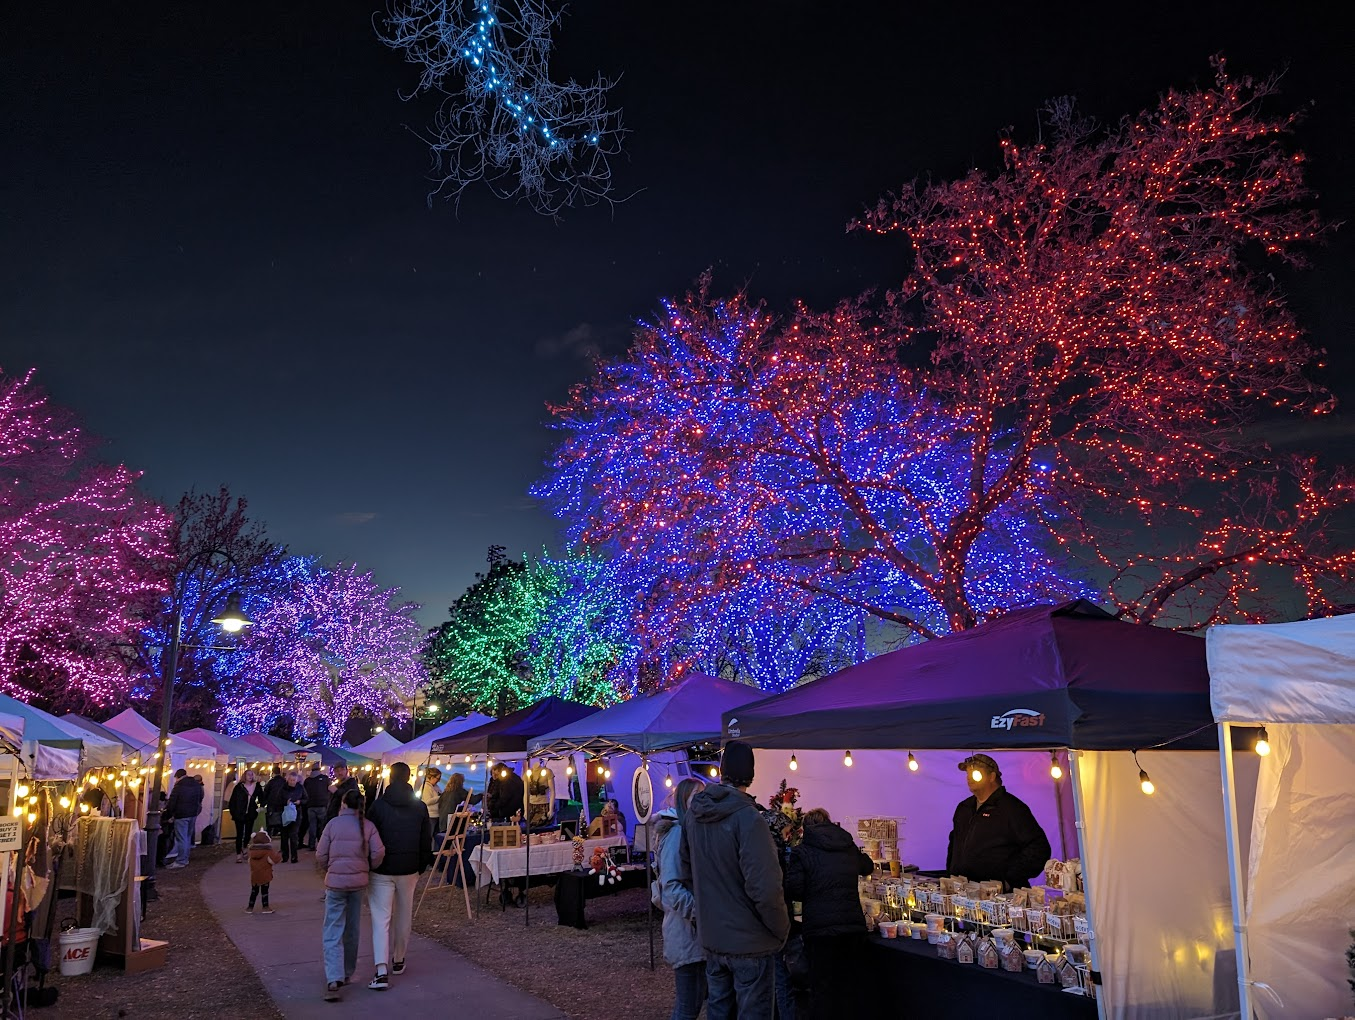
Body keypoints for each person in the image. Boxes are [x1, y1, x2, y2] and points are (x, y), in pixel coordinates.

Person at [679, 741, 790, 1020]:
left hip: (714, 938)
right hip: (750, 942)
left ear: (722, 770)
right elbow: (764, 887)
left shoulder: (695, 816)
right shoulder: (749, 819)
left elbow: (686, 872)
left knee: (719, 1010)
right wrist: (781, 929)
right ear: (751, 775)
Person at [784, 807, 874, 1018]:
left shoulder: (802, 852)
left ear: (806, 829)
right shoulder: (847, 845)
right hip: (852, 927)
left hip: (820, 931)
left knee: (822, 988)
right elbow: (867, 866)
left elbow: (794, 889)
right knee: (849, 985)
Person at [365, 762, 433, 990]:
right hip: (409, 866)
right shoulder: (419, 807)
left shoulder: (378, 806)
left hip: (383, 868)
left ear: (390, 777)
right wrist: (421, 864)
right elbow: (426, 839)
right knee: (404, 914)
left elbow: (370, 838)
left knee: (381, 918)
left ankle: (381, 968)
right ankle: (399, 958)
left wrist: (370, 863)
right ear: (409, 777)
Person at [316, 788, 385, 1003]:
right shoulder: (368, 826)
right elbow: (379, 852)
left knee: (332, 929)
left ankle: (333, 977)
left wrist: (330, 868)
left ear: (343, 803)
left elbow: (321, 854)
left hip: (336, 883)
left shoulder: (333, 825)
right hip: (358, 883)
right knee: (352, 928)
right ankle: (347, 971)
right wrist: (367, 867)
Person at [946, 753, 1051, 891]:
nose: (969, 778)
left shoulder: (1011, 808)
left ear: (992, 776)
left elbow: (1039, 848)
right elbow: (954, 843)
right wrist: (951, 875)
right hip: (963, 894)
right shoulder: (963, 808)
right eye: (967, 773)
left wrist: (1008, 879)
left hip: (1000, 898)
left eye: (975, 773)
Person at [655, 778, 706, 1020]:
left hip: (690, 931)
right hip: (685, 931)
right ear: (683, 799)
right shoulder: (677, 835)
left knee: (694, 1002)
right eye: (695, 795)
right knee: (687, 1006)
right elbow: (672, 887)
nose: (700, 799)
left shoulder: (687, 830)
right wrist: (701, 913)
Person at [164, 769, 204, 870]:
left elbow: (172, 803)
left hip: (181, 815)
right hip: (193, 814)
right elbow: (200, 798)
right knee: (187, 837)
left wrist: (168, 815)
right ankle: (185, 858)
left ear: (178, 777)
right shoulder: (196, 785)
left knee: (181, 838)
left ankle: (181, 860)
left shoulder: (178, 787)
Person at [228, 769, 265, 862]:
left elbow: (262, 798)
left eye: (252, 774)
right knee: (239, 834)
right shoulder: (239, 787)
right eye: (248, 774)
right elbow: (233, 800)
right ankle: (238, 854)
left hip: (251, 813)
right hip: (239, 813)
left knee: (248, 833)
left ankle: (244, 847)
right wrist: (233, 812)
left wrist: (260, 807)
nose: (250, 776)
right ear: (245, 776)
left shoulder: (257, 786)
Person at [246, 829, 283, 914]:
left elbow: (249, 861)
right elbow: (273, 860)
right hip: (265, 874)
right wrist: (279, 855)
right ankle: (265, 907)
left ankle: (250, 907)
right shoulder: (268, 851)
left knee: (254, 891)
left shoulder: (251, 852)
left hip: (254, 875)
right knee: (265, 891)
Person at [279, 770, 308, 864]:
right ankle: (285, 856)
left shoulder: (300, 788)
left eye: (294, 780)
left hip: (296, 814)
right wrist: (285, 803)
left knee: (293, 835)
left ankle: (294, 856)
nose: (292, 782)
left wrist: (300, 802)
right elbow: (277, 800)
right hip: (285, 814)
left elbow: (306, 799)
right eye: (290, 780)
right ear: (287, 779)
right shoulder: (282, 788)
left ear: (296, 780)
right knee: (284, 836)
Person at [303, 763, 331, 850]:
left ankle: (311, 845)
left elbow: (304, 793)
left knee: (312, 826)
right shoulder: (325, 779)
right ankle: (321, 844)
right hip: (322, 805)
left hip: (310, 806)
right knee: (322, 826)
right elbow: (330, 789)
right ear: (319, 769)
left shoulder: (307, 780)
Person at [263, 765, 287, 836]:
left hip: (272, 805)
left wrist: (263, 803)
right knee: (281, 821)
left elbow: (266, 793)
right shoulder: (284, 781)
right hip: (282, 804)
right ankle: (279, 833)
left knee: (270, 822)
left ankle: (269, 836)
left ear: (272, 772)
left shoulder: (271, 782)